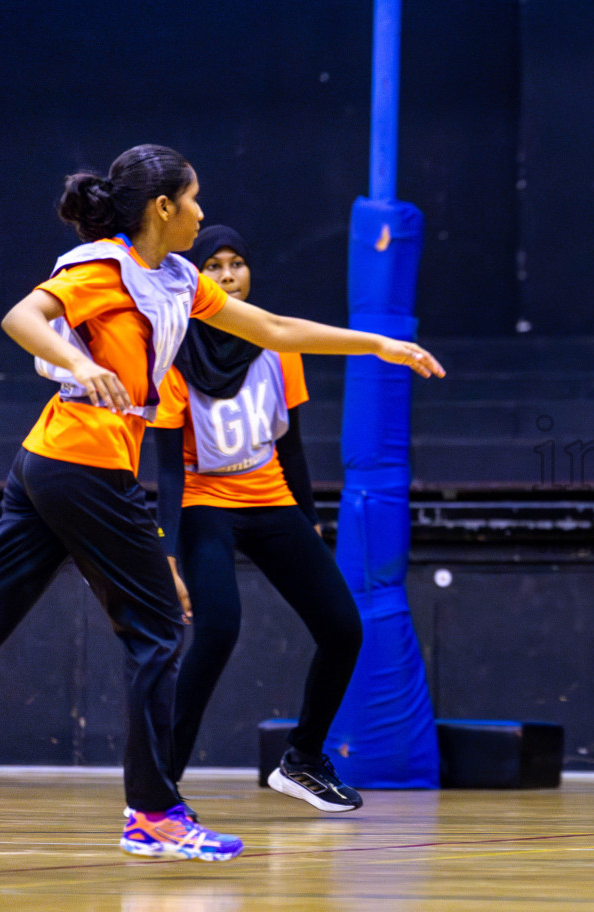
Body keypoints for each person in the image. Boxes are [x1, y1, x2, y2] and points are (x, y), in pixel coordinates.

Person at [0, 145, 442, 861]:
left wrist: (379, 344)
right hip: (84, 465)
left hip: (49, 462)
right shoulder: (102, 267)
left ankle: (156, 809)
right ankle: (155, 813)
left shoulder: (177, 279)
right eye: (194, 199)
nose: (202, 211)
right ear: (164, 207)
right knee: (159, 628)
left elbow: (274, 330)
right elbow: (23, 317)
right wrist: (79, 361)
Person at [152, 223, 363, 813]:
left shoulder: (278, 342)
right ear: (196, 278)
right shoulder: (173, 348)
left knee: (344, 629)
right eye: (213, 265)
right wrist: (167, 553)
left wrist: (311, 520)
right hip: (202, 503)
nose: (227, 275)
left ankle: (301, 761)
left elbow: (292, 446)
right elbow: (166, 468)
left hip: (271, 497)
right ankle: (160, 784)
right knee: (217, 631)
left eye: (236, 263)